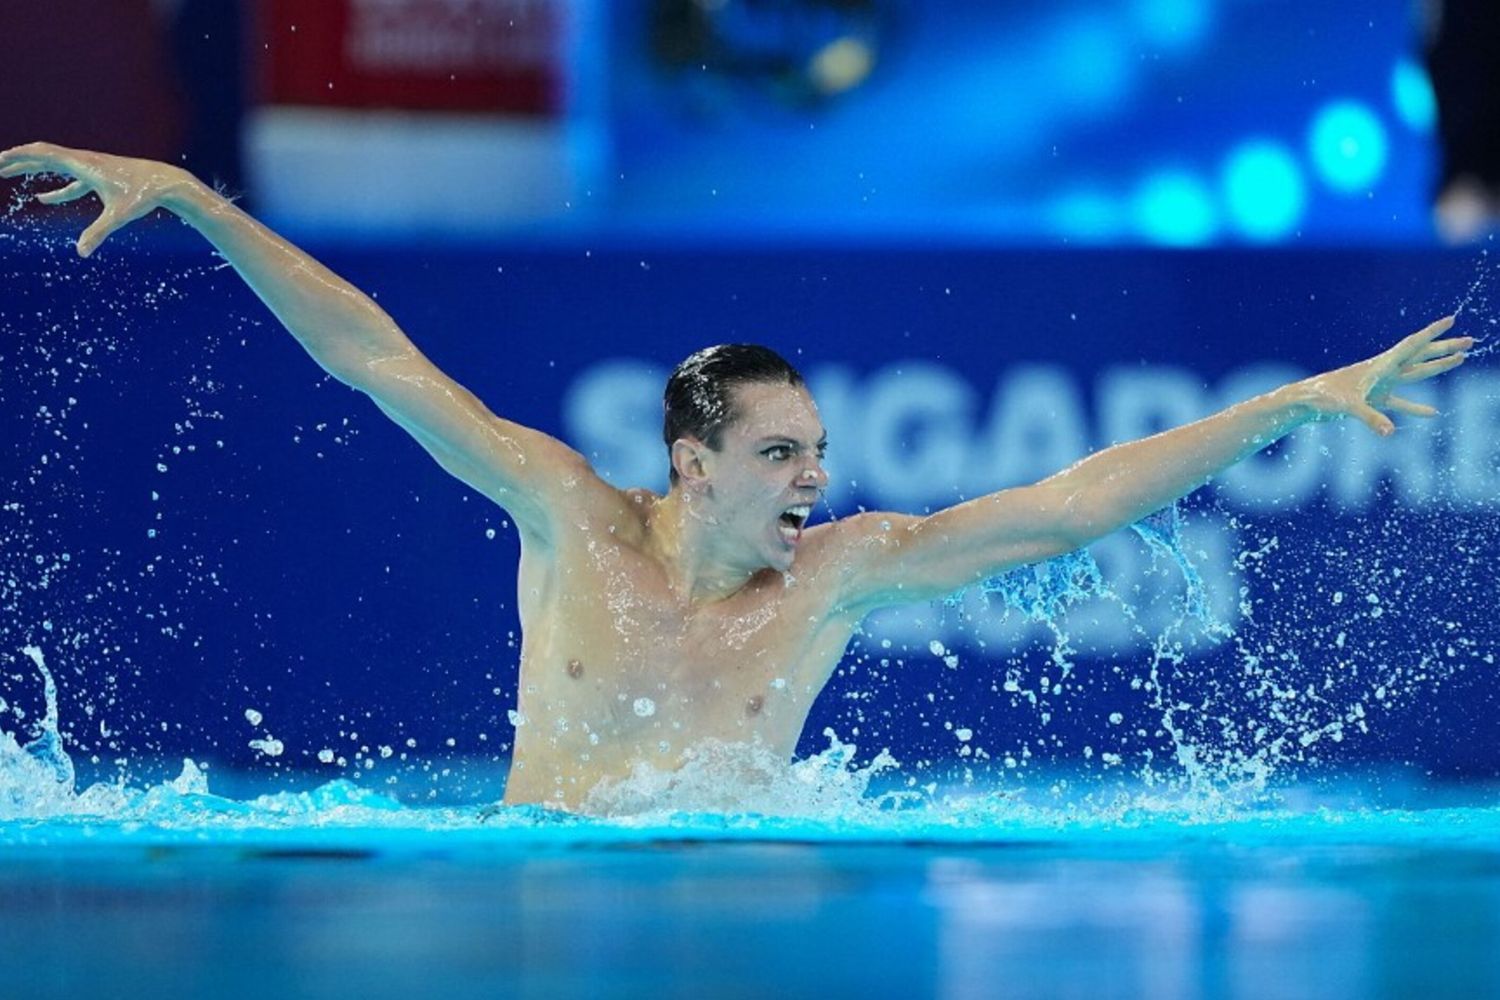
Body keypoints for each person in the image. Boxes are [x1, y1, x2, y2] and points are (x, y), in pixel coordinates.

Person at [0, 143, 1474, 811]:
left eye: (819, 455)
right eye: (782, 455)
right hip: (534, 894)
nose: (813, 483)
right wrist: (196, 202)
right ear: (691, 463)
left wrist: (1297, 400)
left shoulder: (841, 575)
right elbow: (371, 358)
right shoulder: (569, 517)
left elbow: (1080, 502)